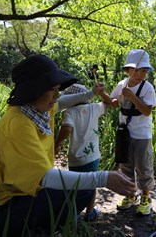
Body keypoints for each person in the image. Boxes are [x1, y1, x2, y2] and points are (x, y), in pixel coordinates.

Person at [0, 54, 136, 236]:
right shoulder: (19, 122)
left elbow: (63, 102)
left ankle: (43, 228)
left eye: (58, 89)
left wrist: (91, 93)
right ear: (33, 90)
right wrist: (104, 178)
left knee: (83, 190)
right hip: (1, 207)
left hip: (23, 191)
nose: (57, 95)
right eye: (53, 89)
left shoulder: (36, 109)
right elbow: (44, 177)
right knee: (83, 188)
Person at [54, 83, 113, 222]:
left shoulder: (69, 112)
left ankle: (74, 213)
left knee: (76, 185)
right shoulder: (94, 108)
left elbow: (67, 129)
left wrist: (56, 143)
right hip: (93, 155)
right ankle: (90, 212)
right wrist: (102, 93)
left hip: (77, 157)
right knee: (91, 184)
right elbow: (110, 103)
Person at [110, 49, 156, 216]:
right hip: (125, 132)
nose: (142, 74)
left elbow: (147, 111)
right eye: (138, 70)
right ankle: (130, 195)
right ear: (128, 70)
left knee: (143, 166)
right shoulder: (122, 84)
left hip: (142, 134)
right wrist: (103, 95)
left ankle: (145, 198)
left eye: (145, 70)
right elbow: (114, 102)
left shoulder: (147, 88)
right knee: (126, 165)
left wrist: (132, 96)